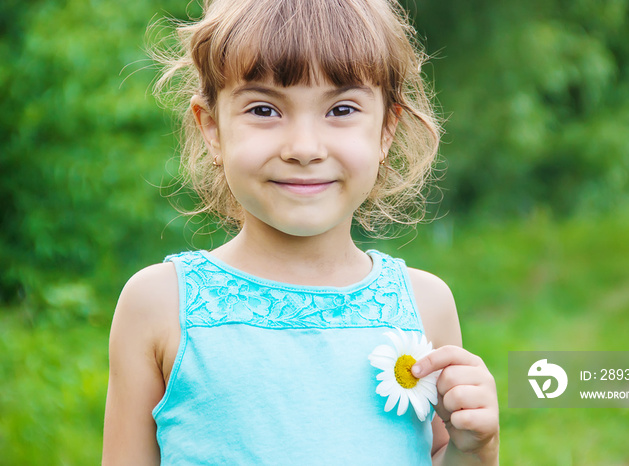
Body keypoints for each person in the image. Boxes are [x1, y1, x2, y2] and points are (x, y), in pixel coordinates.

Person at [102, 0, 499, 464]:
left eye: (342, 108)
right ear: (212, 128)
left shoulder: (426, 305)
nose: (304, 148)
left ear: (386, 130)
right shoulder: (157, 305)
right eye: (265, 109)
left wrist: (475, 447)